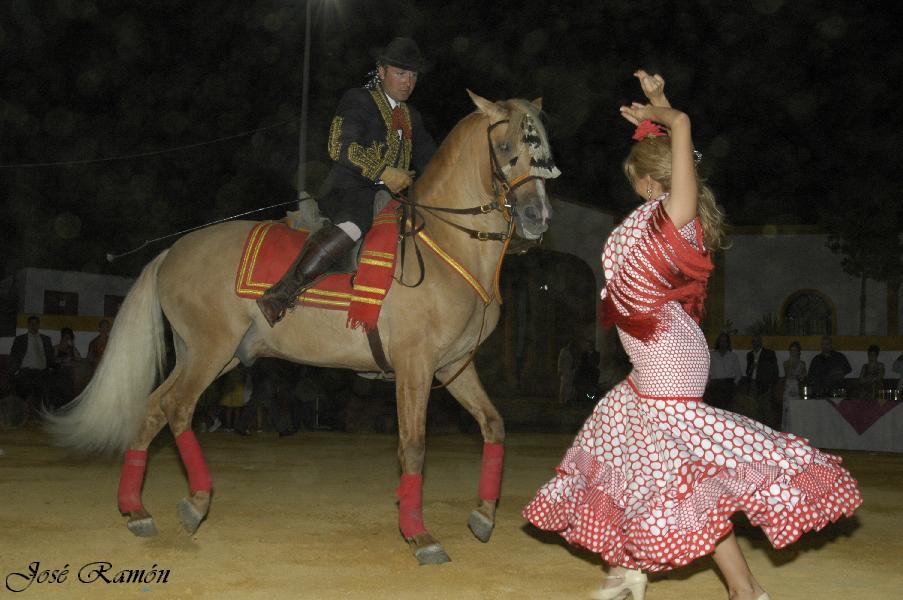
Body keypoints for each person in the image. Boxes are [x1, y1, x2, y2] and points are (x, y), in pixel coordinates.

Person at [522, 70, 861, 600]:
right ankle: (663, 575)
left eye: (636, 176)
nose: (632, 185)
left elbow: (682, 127)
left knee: (676, 473)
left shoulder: (672, 215)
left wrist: (668, 115)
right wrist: (657, 108)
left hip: (667, 355)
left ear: (647, 181)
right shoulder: (655, 216)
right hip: (657, 350)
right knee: (628, 441)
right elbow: (674, 138)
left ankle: (707, 581)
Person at [257, 36, 437, 327]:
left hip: (390, 198)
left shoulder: (411, 116)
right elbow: (339, 145)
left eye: (413, 76)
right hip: (349, 188)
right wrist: (384, 172)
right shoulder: (359, 99)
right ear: (382, 72)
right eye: (401, 73)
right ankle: (281, 293)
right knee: (355, 224)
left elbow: (431, 158)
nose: (408, 82)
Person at [8, 315, 56, 414]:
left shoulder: (46, 339)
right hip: (26, 371)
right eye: (31, 324)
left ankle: (45, 412)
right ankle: (21, 412)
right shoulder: (20, 339)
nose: (33, 326)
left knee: (52, 383)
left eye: (35, 324)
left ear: (39, 325)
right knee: (24, 385)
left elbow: (50, 356)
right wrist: (14, 371)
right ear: (28, 325)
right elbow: (14, 356)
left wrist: (53, 366)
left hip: (42, 371)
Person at [744, 334, 779, 427]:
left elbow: (775, 371)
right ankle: (756, 430)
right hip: (753, 385)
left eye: (757, 341)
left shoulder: (769, 354)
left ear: (761, 342)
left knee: (766, 411)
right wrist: (751, 368)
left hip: (765, 386)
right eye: (754, 341)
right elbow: (748, 372)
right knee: (754, 412)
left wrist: (771, 386)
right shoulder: (750, 355)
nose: (755, 343)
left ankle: (768, 431)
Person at [706, 331, 742, 410]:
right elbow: (708, 372)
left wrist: (733, 385)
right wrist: (708, 384)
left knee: (727, 410)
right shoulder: (711, 355)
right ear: (718, 342)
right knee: (716, 410)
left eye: (725, 341)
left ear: (728, 343)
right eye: (721, 341)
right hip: (715, 386)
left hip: (728, 386)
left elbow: (738, 373)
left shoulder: (733, 356)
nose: (723, 343)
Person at [52, 327, 83, 406]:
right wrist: (63, 360)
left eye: (69, 338)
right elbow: (52, 361)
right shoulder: (56, 348)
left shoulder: (71, 349)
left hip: (69, 376)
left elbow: (79, 358)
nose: (67, 340)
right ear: (62, 337)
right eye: (66, 337)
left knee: (68, 394)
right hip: (58, 375)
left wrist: (73, 346)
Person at [781, 340, 807, 430]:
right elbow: (789, 374)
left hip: (797, 391)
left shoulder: (802, 364)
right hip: (788, 391)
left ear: (799, 352)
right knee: (787, 413)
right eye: (791, 350)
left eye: (795, 350)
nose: (793, 352)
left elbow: (803, 377)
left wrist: (800, 376)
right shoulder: (786, 363)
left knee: (796, 413)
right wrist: (798, 375)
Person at [557, 340, 576, 405]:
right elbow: (560, 360)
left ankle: (567, 399)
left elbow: (574, 360)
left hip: (571, 370)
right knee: (563, 385)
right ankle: (561, 399)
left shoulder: (573, 351)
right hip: (565, 370)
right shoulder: (563, 351)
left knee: (569, 386)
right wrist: (559, 370)